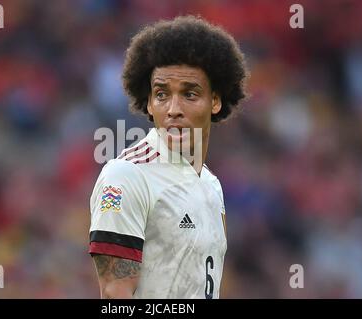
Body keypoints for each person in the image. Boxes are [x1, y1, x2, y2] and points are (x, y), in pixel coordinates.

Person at [89, 15, 248, 299]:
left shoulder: (211, 186)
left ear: (215, 100)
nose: (173, 108)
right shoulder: (127, 176)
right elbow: (116, 296)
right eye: (161, 94)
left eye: (189, 94)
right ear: (149, 101)